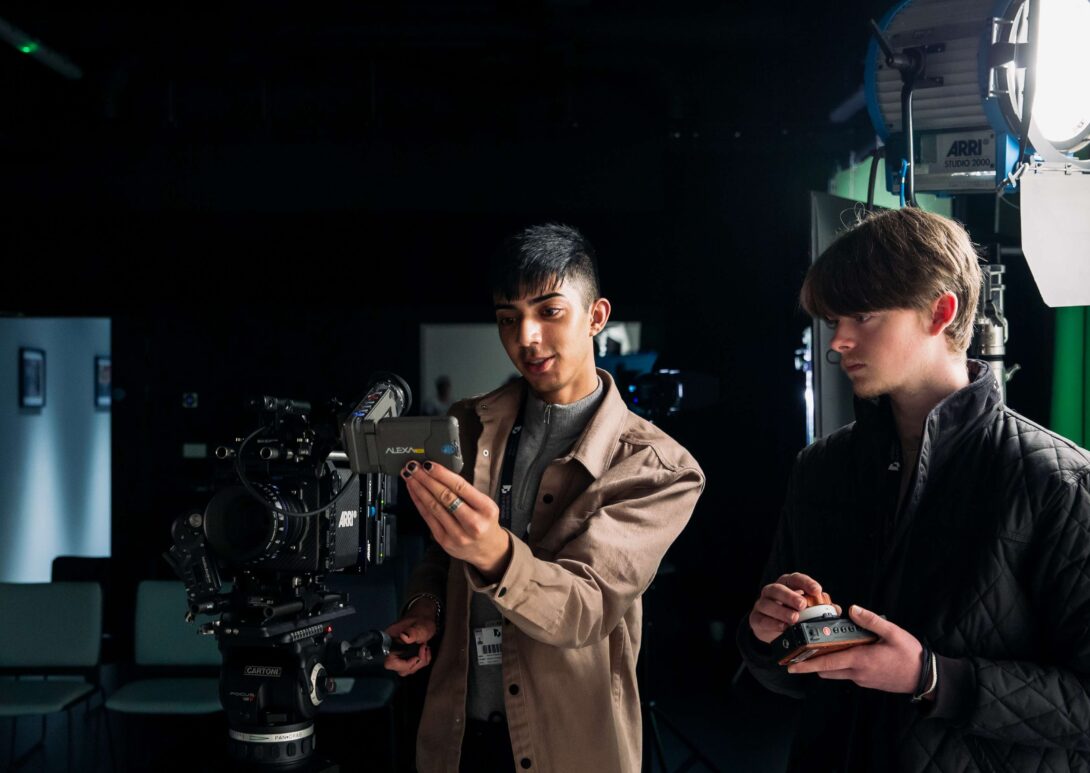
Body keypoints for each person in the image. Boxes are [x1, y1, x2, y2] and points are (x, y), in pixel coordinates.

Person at [738, 206, 1090, 771]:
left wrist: (932, 678)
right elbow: (791, 676)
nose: (838, 342)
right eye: (834, 320)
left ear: (940, 312)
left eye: (863, 316)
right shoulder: (821, 468)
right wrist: (767, 636)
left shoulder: (1057, 480)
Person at [384, 223, 705, 773]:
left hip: (569, 748)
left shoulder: (658, 467)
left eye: (549, 311)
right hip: (456, 737)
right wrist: (424, 610)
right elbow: (442, 557)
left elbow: (585, 607)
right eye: (508, 318)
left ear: (596, 317)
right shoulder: (467, 425)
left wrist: (493, 552)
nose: (526, 337)